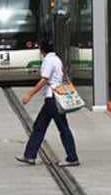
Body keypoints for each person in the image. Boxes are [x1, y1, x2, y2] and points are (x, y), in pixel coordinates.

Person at [16, 39, 80, 167]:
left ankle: (72, 157)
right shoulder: (57, 59)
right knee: (39, 126)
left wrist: (30, 94)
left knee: (63, 128)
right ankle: (30, 155)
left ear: (42, 50)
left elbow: (44, 80)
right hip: (53, 98)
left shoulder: (48, 61)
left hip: (53, 98)